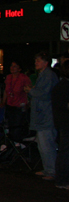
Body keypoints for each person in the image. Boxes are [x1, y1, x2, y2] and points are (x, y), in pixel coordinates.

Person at [25, 51, 59, 180]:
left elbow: (44, 94)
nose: (36, 63)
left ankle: (51, 171)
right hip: (43, 115)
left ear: (45, 63)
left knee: (47, 144)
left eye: (39, 61)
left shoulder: (48, 76)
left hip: (46, 115)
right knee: (43, 144)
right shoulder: (44, 75)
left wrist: (31, 90)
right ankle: (48, 169)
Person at [1, 60, 31, 142]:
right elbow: (6, 91)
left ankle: (17, 142)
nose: (12, 68)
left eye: (15, 66)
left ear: (19, 69)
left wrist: (28, 103)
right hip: (10, 104)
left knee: (17, 126)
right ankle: (11, 143)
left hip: (19, 105)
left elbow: (29, 91)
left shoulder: (24, 78)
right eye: (11, 66)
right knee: (9, 125)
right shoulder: (8, 77)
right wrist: (3, 101)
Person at [51, 60, 69, 189]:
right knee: (65, 151)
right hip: (65, 123)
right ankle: (62, 180)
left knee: (64, 151)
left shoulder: (61, 85)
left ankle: (62, 179)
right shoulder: (64, 86)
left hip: (62, 123)